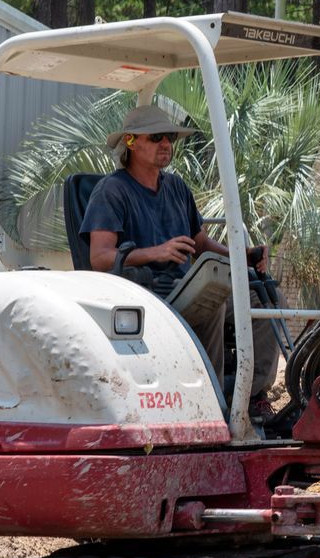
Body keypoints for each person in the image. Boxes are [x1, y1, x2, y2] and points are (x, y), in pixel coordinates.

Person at [81, 104, 278, 404]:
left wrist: (243, 255)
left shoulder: (176, 188)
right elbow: (100, 257)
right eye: (157, 136)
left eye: (170, 137)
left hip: (186, 287)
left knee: (265, 299)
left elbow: (201, 244)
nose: (166, 144)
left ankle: (250, 397)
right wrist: (155, 253)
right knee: (210, 301)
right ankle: (208, 402)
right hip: (149, 295)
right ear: (131, 142)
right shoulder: (111, 191)